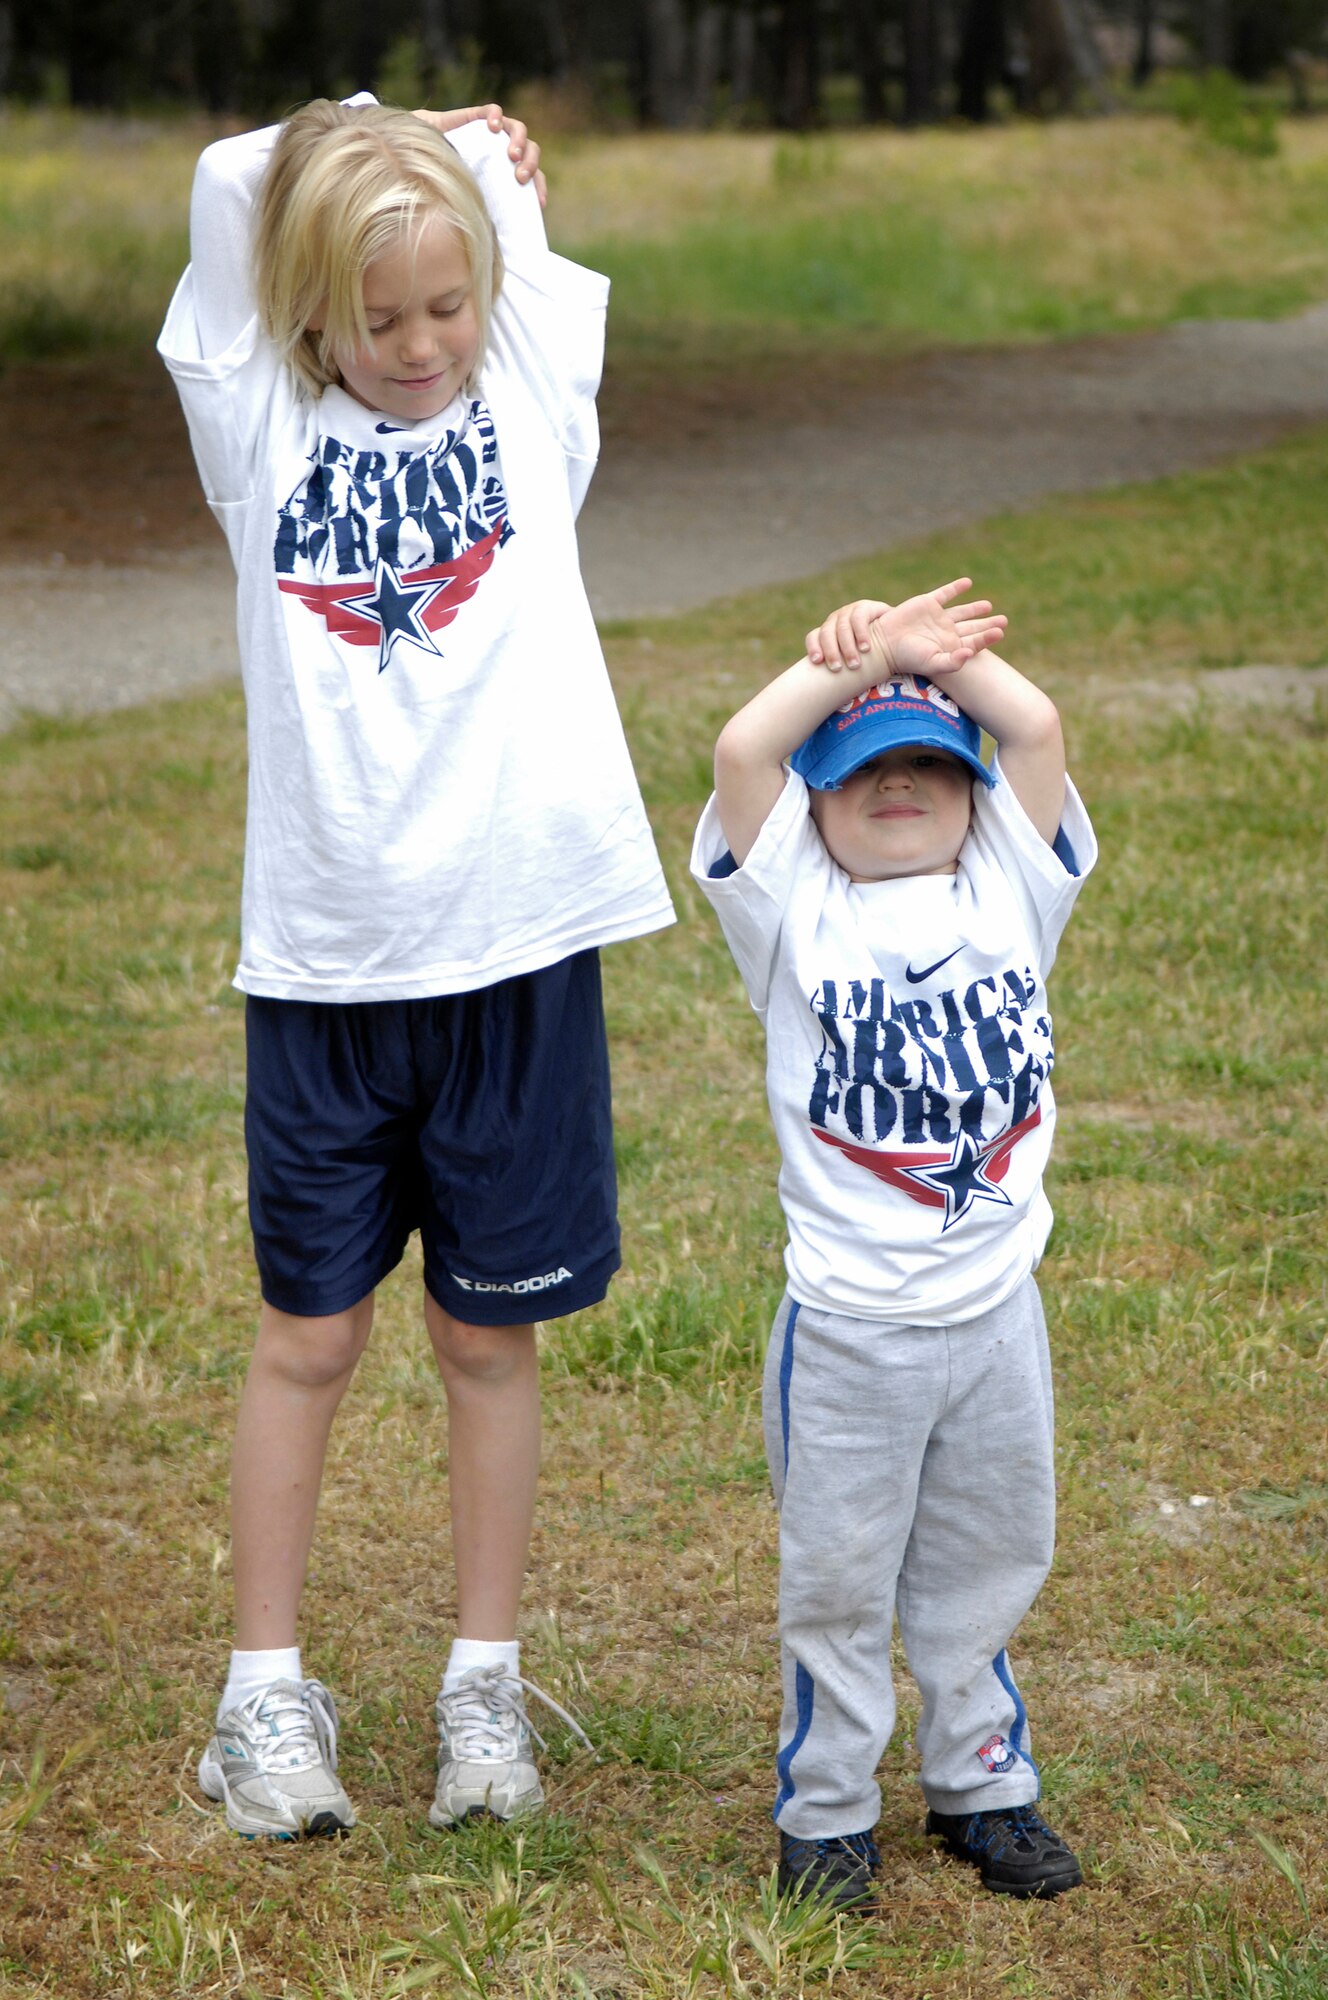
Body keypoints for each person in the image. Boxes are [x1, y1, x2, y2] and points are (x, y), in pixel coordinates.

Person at [158, 96, 673, 1839]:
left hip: (517, 947)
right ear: (310, 319)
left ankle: (482, 1687)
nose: (422, 345)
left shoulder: (530, 397)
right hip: (323, 965)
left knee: (486, 1343)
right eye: (378, 321)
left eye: (444, 306)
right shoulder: (258, 430)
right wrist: (396, 122)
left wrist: (463, 166)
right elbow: (235, 176)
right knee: (308, 1335)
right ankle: (261, 1698)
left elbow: (494, 240)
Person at [690, 581, 1096, 1908]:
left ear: (977, 800)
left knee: (989, 1561)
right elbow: (744, 753)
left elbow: (1029, 726)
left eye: (931, 765)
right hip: (853, 1330)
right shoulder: (793, 913)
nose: (902, 787)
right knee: (840, 1582)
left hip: (995, 1319)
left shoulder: (1011, 895)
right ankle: (827, 1813)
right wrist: (863, 660)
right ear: (815, 808)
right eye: (867, 771)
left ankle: (983, 1782)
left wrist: (937, 666)